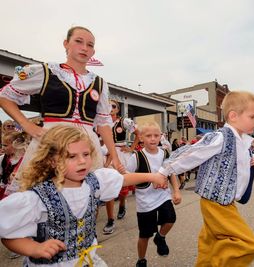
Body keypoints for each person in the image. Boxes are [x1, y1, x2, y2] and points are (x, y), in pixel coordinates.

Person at [0, 125, 166, 267]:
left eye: (86, 154)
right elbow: (8, 233)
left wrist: (152, 176)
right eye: (71, 156)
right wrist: (33, 249)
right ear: (51, 160)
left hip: (89, 260)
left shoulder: (95, 181)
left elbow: (123, 179)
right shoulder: (36, 198)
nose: (82, 161)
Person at [0, 26, 123, 192]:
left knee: (85, 196)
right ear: (66, 44)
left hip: (87, 145)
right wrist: (27, 125)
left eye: (90, 45)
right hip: (52, 140)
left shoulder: (100, 83)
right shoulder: (46, 71)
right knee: (45, 194)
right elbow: (5, 96)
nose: (84, 48)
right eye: (78, 41)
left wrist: (114, 156)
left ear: (93, 51)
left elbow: (103, 123)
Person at [152, 91, 254, 266]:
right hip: (217, 203)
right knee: (248, 245)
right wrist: (164, 170)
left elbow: (237, 164)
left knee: (210, 243)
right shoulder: (220, 137)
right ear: (233, 116)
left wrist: (253, 161)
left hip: (224, 201)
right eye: (253, 116)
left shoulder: (242, 141)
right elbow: (192, 153)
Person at [125, 121, 181, 267]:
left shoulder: (165, 153)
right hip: (146, 201)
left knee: (170, 219)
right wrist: (148, 177)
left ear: (161, 136)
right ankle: (141, 259)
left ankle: (160, 237)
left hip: (163, 196)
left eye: (156, 135)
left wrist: (176, 190)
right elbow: (127, 177)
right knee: (145, 235)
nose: (153, 138)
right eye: (148, 135)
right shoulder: (136, 157)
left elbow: (171, 173)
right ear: (141, 137)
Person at [102, 99, 139, 234]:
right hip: (106, 154)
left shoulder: (124, 122)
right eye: (107, 105)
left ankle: (122, 204)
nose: (110, 108)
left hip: (121, 154)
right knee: (108, 186)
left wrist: (131, 148)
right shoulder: (101, 122)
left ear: (117, 109)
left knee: (122, 184)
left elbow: (138, 134)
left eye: (113, 106)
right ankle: (110, 219)